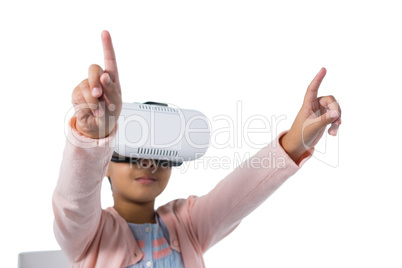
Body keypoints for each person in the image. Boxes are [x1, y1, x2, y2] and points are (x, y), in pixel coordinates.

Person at [52, 30, 342, 268]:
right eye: (133, 151)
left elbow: (240, 193)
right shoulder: (88, 236)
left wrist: (296, 140)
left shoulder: (187, 224)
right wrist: (92, 135)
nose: (148, 163)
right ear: (105, 165)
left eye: (160, 153)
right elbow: (73, 204)